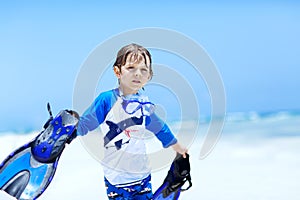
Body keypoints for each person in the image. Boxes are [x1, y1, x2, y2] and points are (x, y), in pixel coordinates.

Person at [76, 43, 187, 200]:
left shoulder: (144, 105)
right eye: (131, 68)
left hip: (142, 177)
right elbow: (86, 124)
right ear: (117, 71)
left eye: (143, 70)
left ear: (149, 76)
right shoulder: (107, 100)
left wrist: (178, 147)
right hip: (116, 179)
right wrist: (65, 133)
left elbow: (160, 128)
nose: (138, 74)